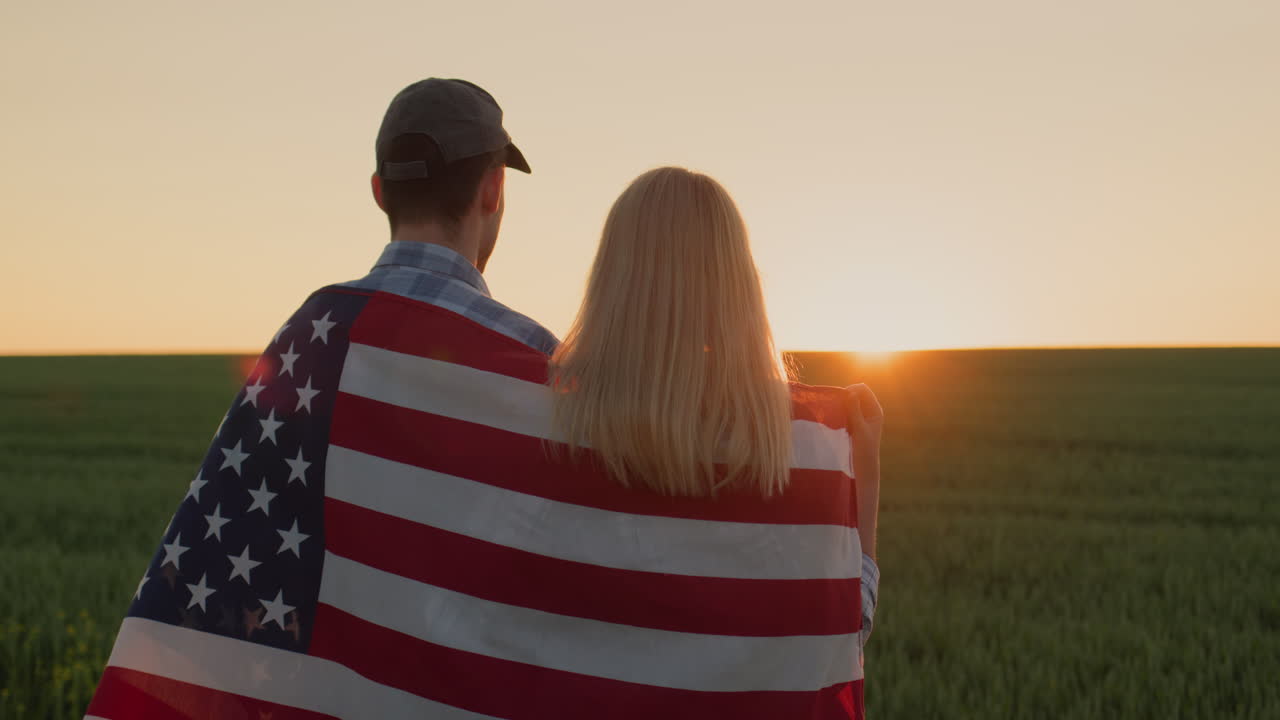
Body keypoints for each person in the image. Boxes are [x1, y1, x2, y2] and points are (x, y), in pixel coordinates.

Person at [84, 79, 882, 720]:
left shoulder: (323, 337)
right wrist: (856, 459)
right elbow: (834, 632)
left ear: (376, 190)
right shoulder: (553, 382)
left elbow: (224, 585)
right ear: (494, 190)